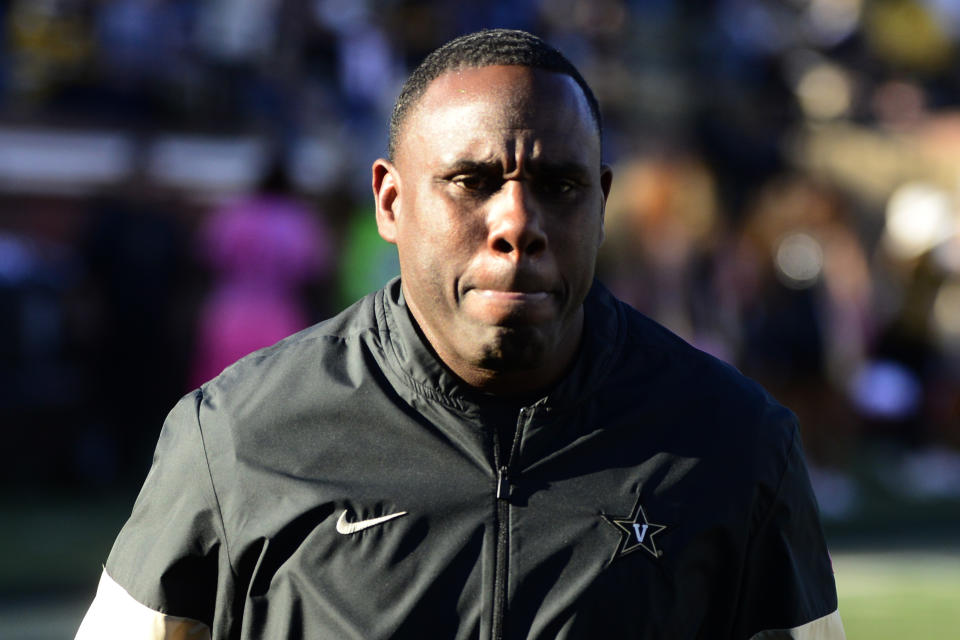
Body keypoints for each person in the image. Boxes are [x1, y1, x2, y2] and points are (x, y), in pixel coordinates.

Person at [76, 29, 844, 640]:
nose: (516, 223)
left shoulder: (737, 442)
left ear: (601, 204)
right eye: (472, 182)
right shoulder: (238, 437)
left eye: (560, 185)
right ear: (390, 202)